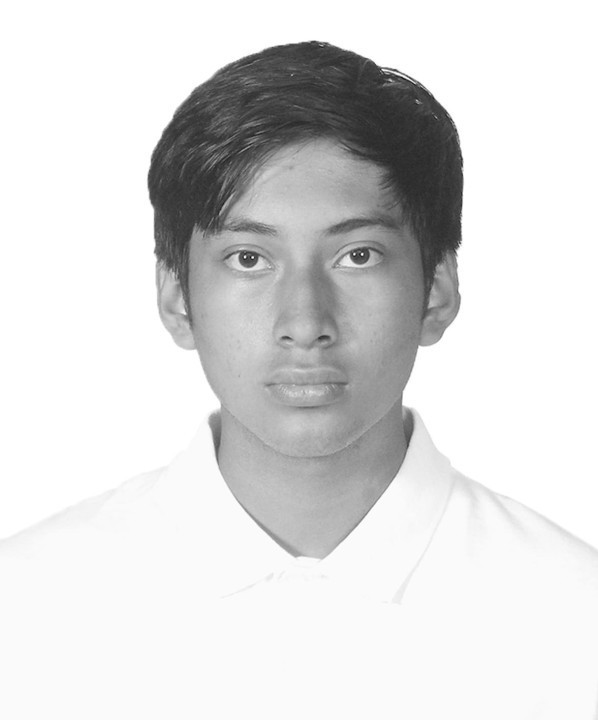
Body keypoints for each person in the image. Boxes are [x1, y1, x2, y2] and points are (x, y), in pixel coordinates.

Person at [1, 41, 597, 719]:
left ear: (436, 289)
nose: (305, 322)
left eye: (358, 255)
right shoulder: (25, 613)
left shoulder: (576, 622)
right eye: (248, 258)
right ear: (176, 297)